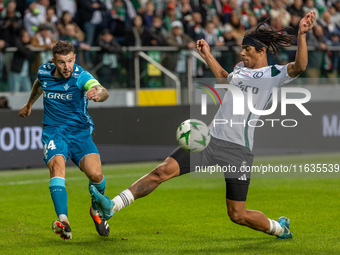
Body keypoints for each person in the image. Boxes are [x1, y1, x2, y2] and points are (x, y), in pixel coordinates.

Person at [90, 11, 316, 240]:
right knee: (161, 171)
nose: (242, 52)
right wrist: (207, 55)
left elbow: (299, 66)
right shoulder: (239, 68)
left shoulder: (273, 74)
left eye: (246, 49)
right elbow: (225, 79)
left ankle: (279, 228)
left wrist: (302, 35)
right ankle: (112, 206)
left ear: (261, 50)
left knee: (237, 214)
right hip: (208, 139)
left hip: (238, 150)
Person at [18, 40, 110, 240]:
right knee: (57, 168)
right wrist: (29, 104)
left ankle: (95, 211)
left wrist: (98, 94)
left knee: (96, 175)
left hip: (80, 132)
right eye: (61, 62)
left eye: (70, 61)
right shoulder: (44, 71)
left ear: (74, 58)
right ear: (54, 61)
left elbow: (102, 90)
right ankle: (64, 221)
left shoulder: (81, 76)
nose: (67, 66)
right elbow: (39, 84)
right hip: (54, 132)